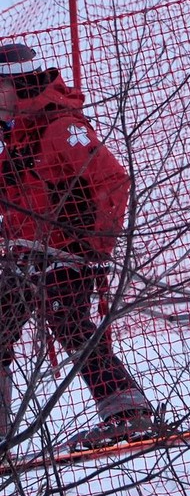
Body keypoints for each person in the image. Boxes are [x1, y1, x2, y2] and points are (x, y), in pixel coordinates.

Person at [0, 42, 156, 450]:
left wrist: (92, 242)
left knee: (68, 320)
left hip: (70, 252)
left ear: (22, 85)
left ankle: (129, 412)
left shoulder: (59, 129)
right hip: (26, 257)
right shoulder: (11, 140)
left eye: (0, 88)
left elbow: (114, 181)